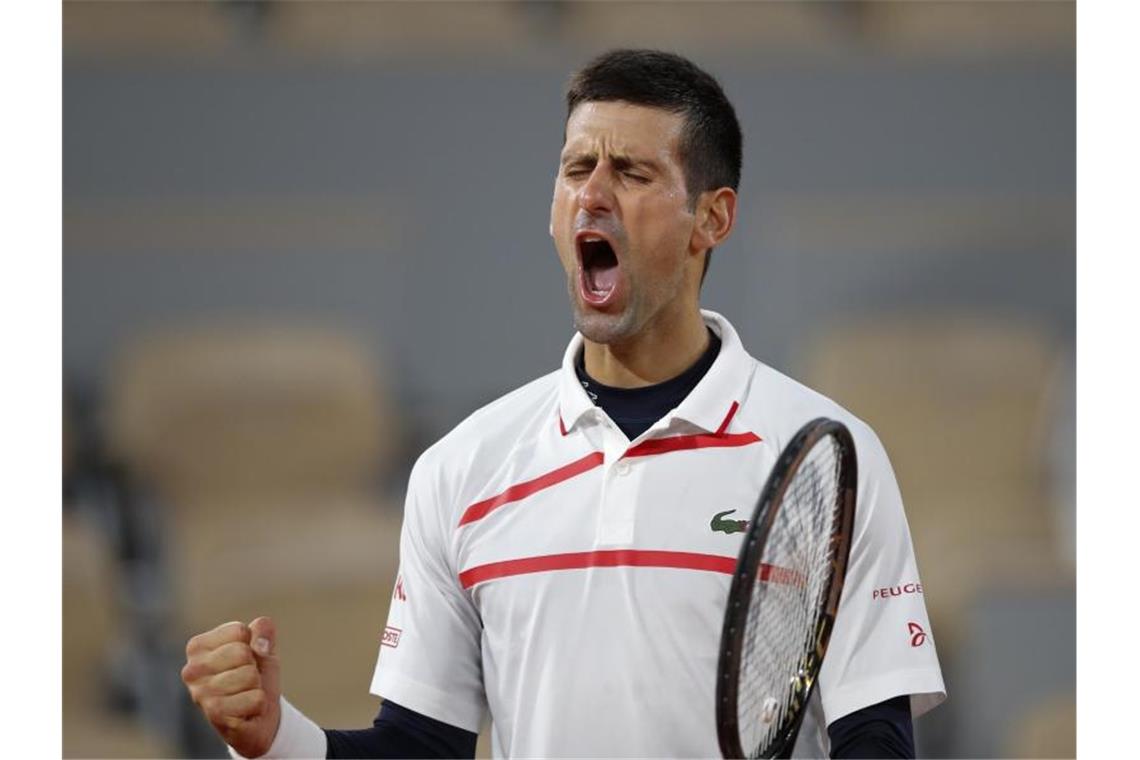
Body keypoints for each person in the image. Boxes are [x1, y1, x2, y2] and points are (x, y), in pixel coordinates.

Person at [181, 49, 945, 758]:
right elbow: (422, 749)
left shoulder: (826, 454)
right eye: (576, 167)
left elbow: (875, 737)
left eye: (633, 173)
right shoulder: (461, 470)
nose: (593, 194)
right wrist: (278, 737)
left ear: (712, 219)